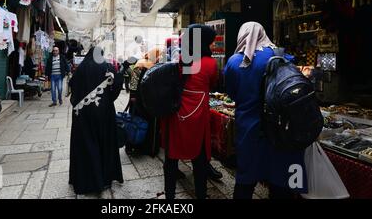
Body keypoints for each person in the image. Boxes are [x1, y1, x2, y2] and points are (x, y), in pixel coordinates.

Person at [224, 22, 307, 199]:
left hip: (250, 132)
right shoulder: (283, 56)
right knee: (282, 183)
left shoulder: (234, 62)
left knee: (245, 182)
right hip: (282, 131)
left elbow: (232, 94)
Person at [161, 24, 219, 199]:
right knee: (199, 161)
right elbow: (213, 83)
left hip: (178, 115)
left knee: (171, 158)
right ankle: (200, 195)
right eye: (211, 42)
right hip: (198, 115)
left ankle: (170, 197)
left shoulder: (182, 60)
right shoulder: (210, 63)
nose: (213, 46)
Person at [68, 47, 124, 195]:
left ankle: (87, 180)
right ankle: (104, 179)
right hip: (103, 111)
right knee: (104, 142)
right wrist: (109, 99)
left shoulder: (81, 68)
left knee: (86, 144)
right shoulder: (107, 66)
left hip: (83, 114)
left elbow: (72, 87)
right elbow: (118, 82)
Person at [125, 48, 162, 157]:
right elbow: (134, 81)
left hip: (143, 99)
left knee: (141, 122)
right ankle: (138, 145)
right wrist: (133, 95)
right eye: (158, 55)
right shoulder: (142, 64)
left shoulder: (149, 64)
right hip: (140, 99)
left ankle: (140, 146)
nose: (159, 57)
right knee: (139, 122)